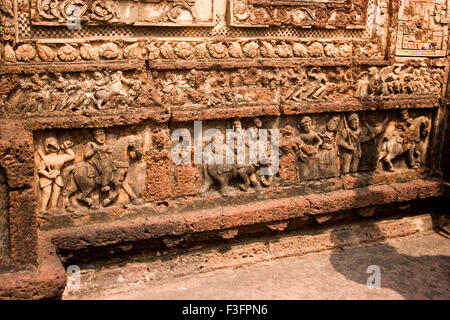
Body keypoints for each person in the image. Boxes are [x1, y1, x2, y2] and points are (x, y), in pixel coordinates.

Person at [38, 136, 75, 211]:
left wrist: (66, 148)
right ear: (47, 148)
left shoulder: (60, 157)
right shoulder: (46, 158)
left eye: (56, 144)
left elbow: (72, 156)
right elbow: (40, 170)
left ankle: (53, 208)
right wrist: (48, 175)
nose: (55, 147)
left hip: (57, 175)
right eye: (52, 146)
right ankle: (43, 209)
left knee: (57, 191)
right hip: (46, 177)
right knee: (46, 192)